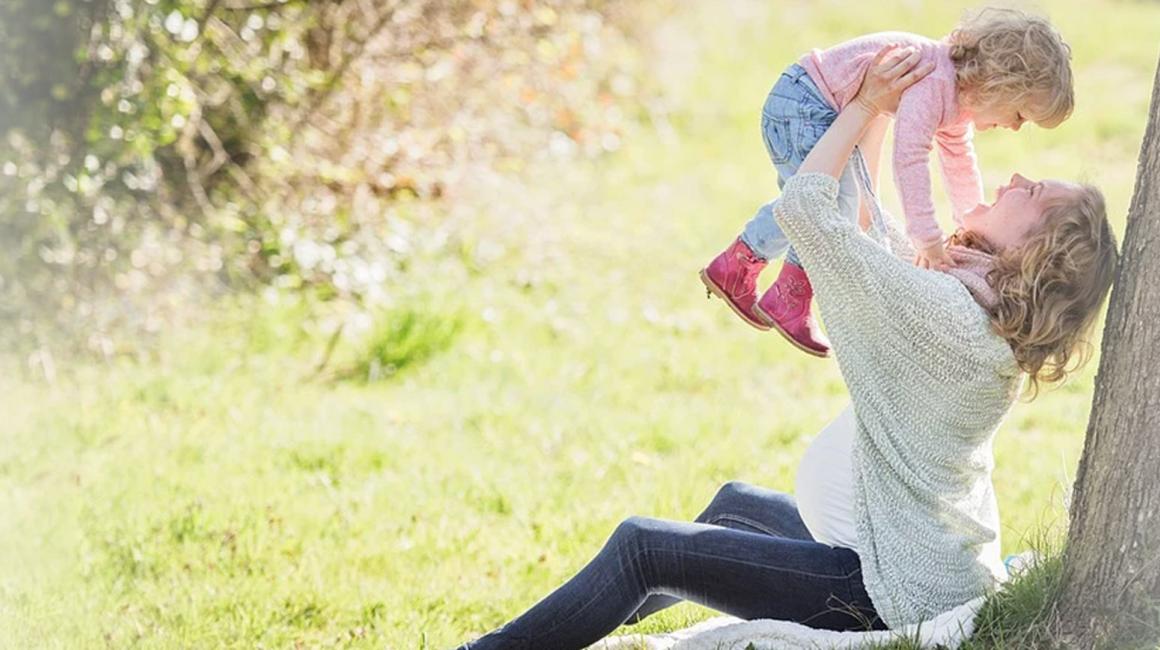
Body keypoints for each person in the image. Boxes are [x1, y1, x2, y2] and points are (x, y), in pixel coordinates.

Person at [457, 45, 1118, 650]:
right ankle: (569, 627)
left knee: (644, 547)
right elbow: (869, 230)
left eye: (1030, 194)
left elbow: (809, 212)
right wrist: (884, 111)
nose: (1016, 177)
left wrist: (860, 105)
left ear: (1037, 255)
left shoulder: (948, 318)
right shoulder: (971, 304)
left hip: (882, 593)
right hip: (887, 552)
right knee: (732, 505)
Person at [700, 7, 1075, 358]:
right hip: (803, 105)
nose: (1013, 127)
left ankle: (740, 266)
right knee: (824, 203)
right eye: (1020, 114)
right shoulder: (936, 81)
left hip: (814, 105)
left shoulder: (957, 99)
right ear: (999, 84)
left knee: (827, 202)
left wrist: (969, 221)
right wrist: (926, 237)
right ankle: (785, 293)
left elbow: (959, 163)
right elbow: (909, 157)